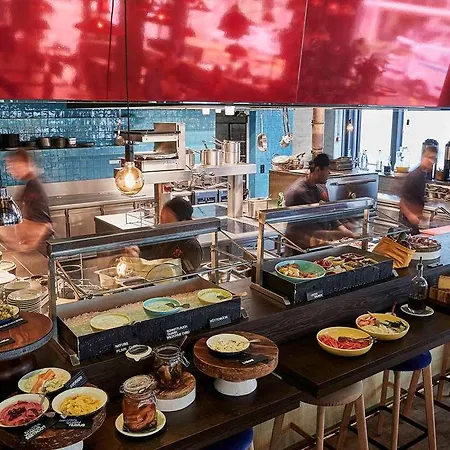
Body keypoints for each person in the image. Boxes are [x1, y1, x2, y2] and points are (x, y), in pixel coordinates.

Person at [284, 153, 356, 254]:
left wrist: (344, 230)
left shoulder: (321, 188)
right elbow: (304, 229)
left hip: (318, 245)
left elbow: (329, 213)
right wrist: (336, 234)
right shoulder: (297, 192)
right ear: (318, 170)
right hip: (299, 249)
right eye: (327, 169)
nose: (329, 173)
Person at [125, 197, 203, 273]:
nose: (162, 225)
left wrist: (141, 261)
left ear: (182, 222)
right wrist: (136, 250)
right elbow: (146, 248)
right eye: (162, 219)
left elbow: (183, 274)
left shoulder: (191, 247)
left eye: (168, 221)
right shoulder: (160, 236)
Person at [0, 149, 52, 254]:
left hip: (40, 250)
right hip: (33, 248)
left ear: (23, 164)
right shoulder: (29, 184)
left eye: (12, 166)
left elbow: (44, 225)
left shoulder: (33, 186)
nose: (10, 171)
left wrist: (25, 247)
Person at [400, 144, 438, 235]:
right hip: (407, 224)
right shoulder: (414, 176)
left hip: (415, 223)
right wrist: (411, 215)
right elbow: (401, 200)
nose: (431, 161)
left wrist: (423, 217)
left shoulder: (422, 175)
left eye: (433, 158)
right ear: (422, 157)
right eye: (429, 157)